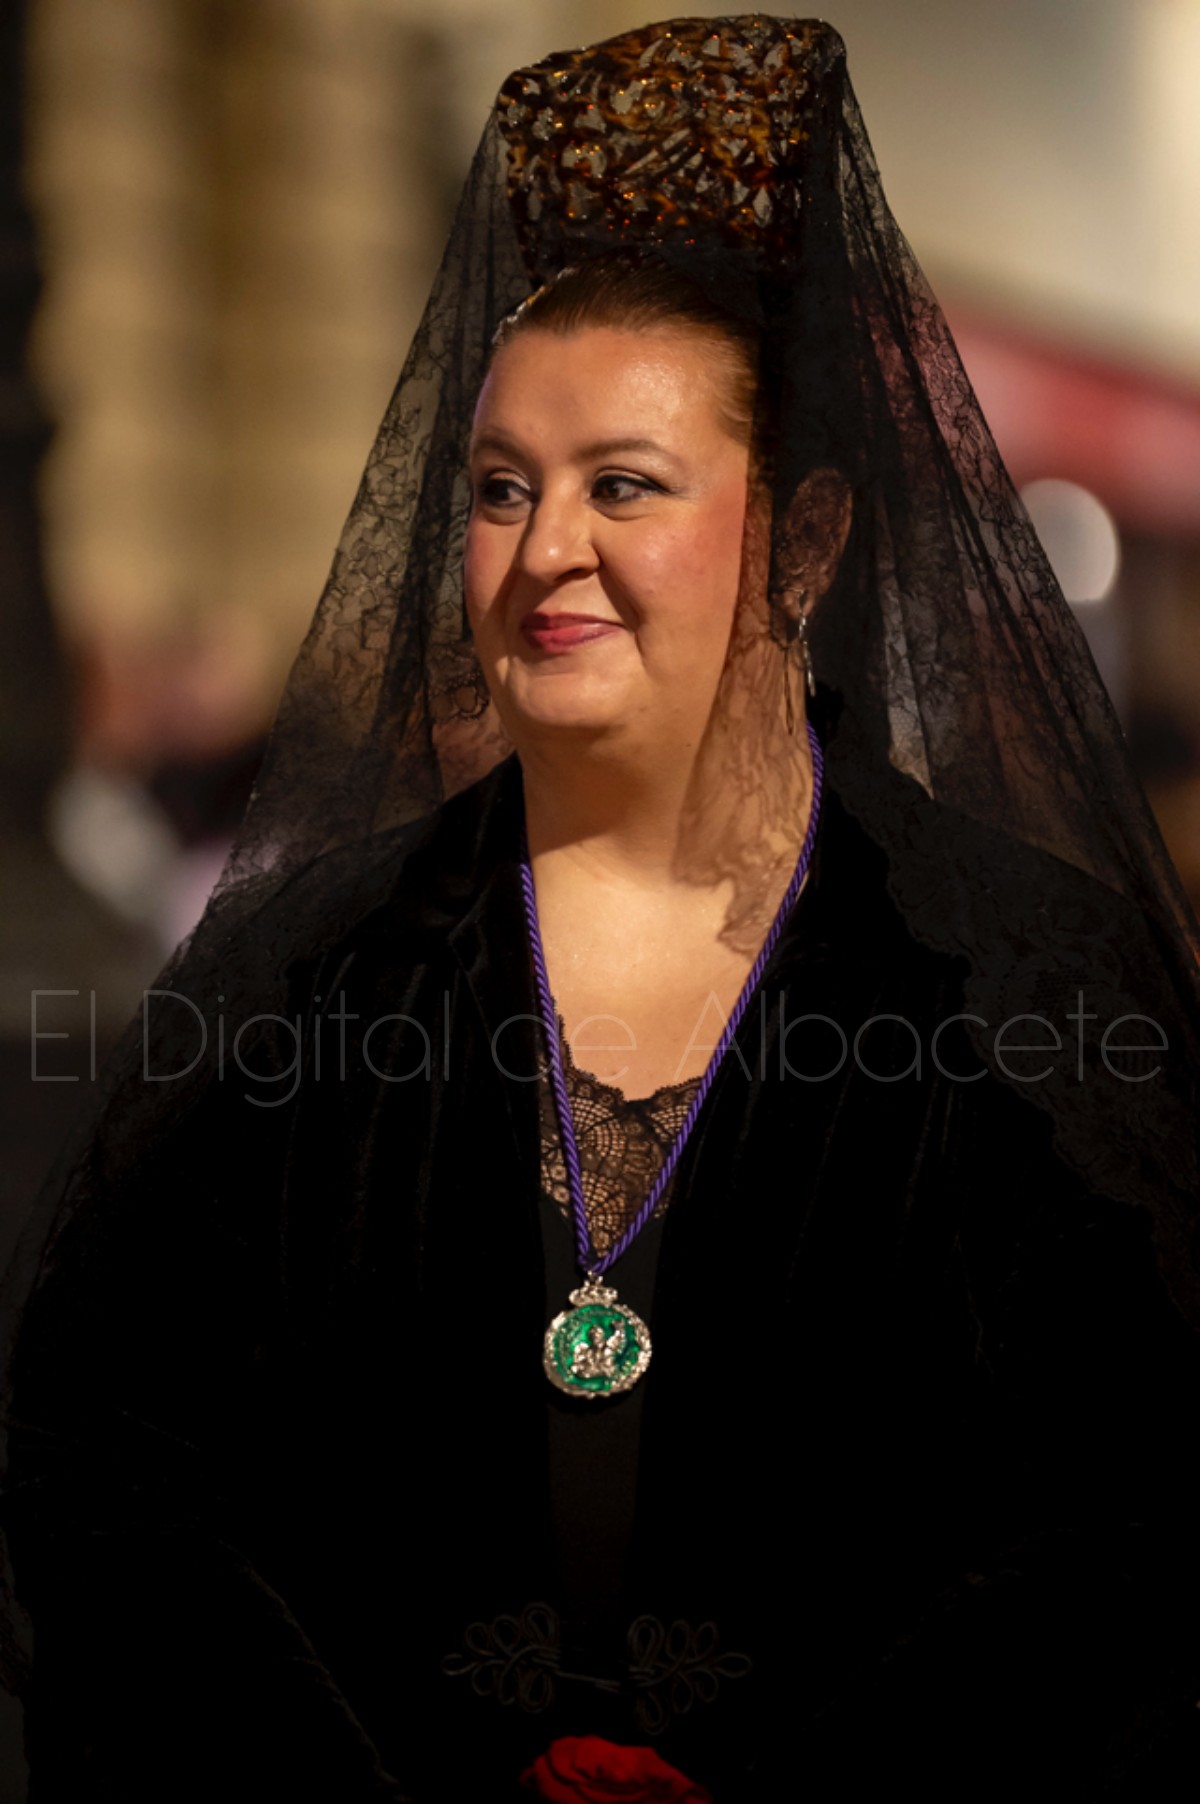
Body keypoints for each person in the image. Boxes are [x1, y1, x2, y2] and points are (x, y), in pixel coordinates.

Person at [3, 15, 1200, 1801]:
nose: (545, 548)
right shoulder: (312, 974)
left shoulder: (1015, 984)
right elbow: (118, 1469)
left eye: (623, 484)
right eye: (502, 489)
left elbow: (1131, 1535)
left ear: (804, 541)